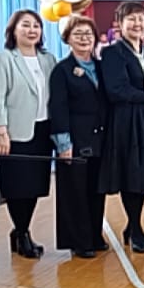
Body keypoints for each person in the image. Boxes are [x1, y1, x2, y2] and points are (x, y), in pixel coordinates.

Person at [99, 1, 144, 253]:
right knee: (131, 174)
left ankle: (133, 227)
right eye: (130, 19)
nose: (137, 24)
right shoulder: (112, 53)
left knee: (143, 175)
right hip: (125, 121)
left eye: (141, 19)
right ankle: (135, 229)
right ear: (119, 24)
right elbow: (116, 90)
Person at [0, 9, 57, 259]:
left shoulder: (48, 59)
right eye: (25, 25)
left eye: (36, 26)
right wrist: (0, 131)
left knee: (35, 185)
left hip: (43, 130)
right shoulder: (5, 59)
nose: (31, 30)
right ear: (13, 31)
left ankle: (21, 231)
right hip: (15, 132)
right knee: (17, 186)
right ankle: (21, 232)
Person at [49, 15, 108, 258]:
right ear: (67, 39)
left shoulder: (102, 67)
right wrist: (64, 144)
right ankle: (79, 241)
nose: (84, 39)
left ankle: (95, 235)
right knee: (75, 193)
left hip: (100, 139)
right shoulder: (62, 70)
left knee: (96, 190)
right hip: (74, 140)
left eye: (88, 34)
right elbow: (58, 108)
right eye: (78, 34)